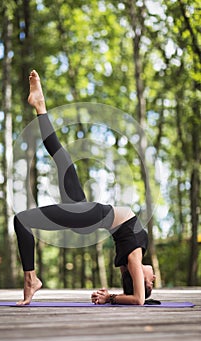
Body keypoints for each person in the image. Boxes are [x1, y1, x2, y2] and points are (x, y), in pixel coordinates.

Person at [14, 70, 156, 305]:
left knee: (22, 219)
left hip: (91, 216)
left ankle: (31, 279)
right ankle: (40, 106)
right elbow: (136, 293)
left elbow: (139, 299)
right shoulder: (128, 261)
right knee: (62, 159)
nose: (154, 277)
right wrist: (112, 295)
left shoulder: (134, 258)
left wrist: (111, 296)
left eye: (152, 282)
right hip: (88, 215)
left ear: (140, 277)